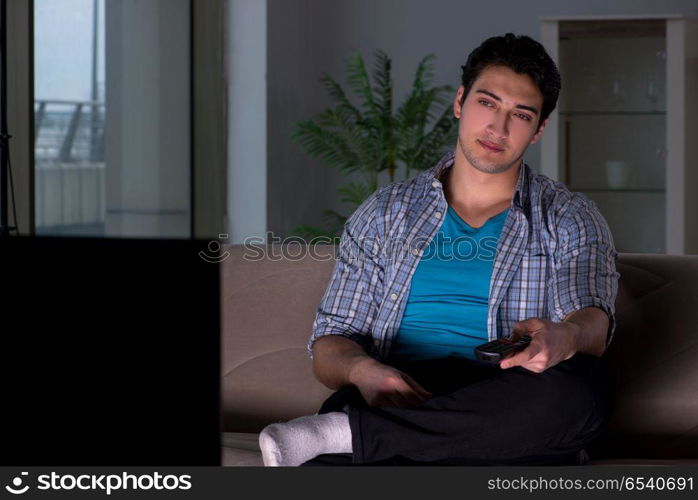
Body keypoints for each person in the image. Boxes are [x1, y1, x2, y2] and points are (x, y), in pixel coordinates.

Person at [259, 33, 619, 467]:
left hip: (505, 393)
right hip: (401, 389)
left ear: (538, 129)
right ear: (461, 101)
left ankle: (350, 438)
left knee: (584, 389)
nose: (498, 128)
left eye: (520, 115)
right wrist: (362, 371)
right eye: (487, 103)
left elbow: (591, 321)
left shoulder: (568, 216)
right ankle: (381, 435)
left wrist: (567, 336)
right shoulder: (384, 212)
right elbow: (330, 342)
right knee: (355, 402)